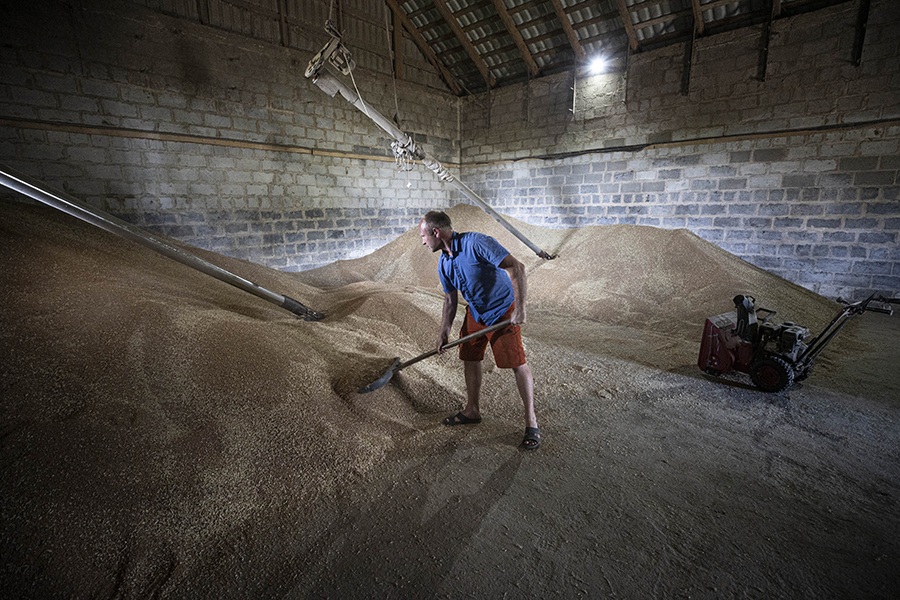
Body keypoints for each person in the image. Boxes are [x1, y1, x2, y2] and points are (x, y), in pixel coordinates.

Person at [418, 210, 540, 450]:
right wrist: (444, 332)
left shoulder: (477, 243)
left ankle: (532, 423)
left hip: (502, 311)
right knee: (470, 357)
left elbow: (517, 268)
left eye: (423, 236)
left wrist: (520, 309)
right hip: (476, 312)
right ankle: (472, 410)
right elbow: (450, 301)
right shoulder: (444, 262)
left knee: (516, 363)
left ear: (435, 232)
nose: (422, 241)